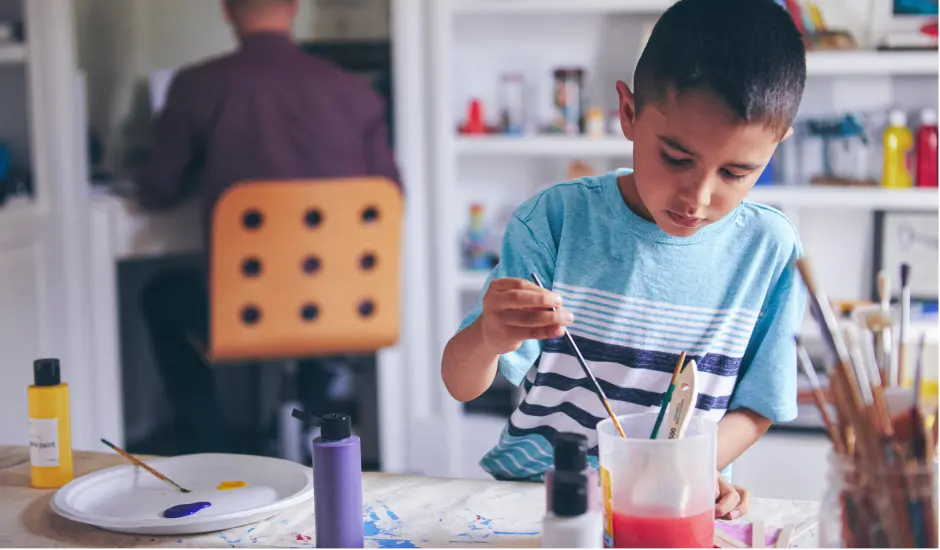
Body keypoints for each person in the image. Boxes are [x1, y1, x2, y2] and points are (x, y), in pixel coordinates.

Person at [441, 0, 806, 521]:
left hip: (671, 503)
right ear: (629, 113)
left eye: (737, 173)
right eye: (677, 158)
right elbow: (460, 382)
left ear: (776, 147)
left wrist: (691, 471)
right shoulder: (555, 221)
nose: (697, 199)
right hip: (538, 501)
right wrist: (488, 338)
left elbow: (758, 405)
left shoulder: (770, 250)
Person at [136, 0, 400, 455]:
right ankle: (314, 408)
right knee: (316, 315)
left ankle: (209, 447)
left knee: (160, 295)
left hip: (247, 308)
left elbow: (155, 190)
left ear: (227, 11)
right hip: (343, 305)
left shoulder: (198, 86)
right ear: (294, 7)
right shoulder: (355, 94)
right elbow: (391, 199)